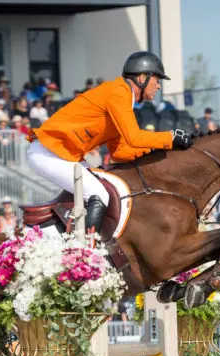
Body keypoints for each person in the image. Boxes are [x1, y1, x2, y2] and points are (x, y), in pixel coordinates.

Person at [27, 51, 193, 231]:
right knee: (99, 194)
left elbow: (120, 152)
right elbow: (135, 137)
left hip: (63, 156)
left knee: (107, 188)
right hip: (49, 153)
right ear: (142, 77)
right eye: (157, 80)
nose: (159, 86)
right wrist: (169, 137)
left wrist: (160, 152)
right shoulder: (119, 91)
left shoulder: (123, 99)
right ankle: (83, 251)